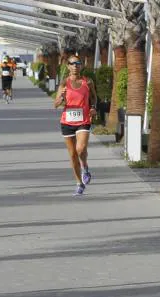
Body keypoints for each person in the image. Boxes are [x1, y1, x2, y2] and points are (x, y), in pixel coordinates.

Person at [54, 54, 98, 196]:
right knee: (73, 154)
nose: (75, 66)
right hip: (67, 122)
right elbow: (55, 105)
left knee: (81, 149)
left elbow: (94, 98)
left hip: (83, 120)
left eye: (78, 63)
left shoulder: (88, 82)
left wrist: (93, 107)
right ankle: (79, 183)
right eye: (72, 64)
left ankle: (85, 167)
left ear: (81, 66)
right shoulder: (63, 84)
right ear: (68, 66)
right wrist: (61, 96)